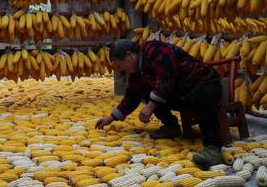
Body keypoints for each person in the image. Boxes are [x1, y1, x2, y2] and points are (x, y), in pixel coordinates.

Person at [95, 39, 224, 169]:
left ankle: (213, 148)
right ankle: (171, 126)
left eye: (121, 64)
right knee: (148, 92)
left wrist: (150, 106)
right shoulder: (137, 69)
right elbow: (132, 95)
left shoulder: (155, 49)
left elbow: (167, 78)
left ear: (130, 54)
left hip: (206, 85)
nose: (122, 68)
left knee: (199, 94)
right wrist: (112, 118)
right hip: (182, 93)